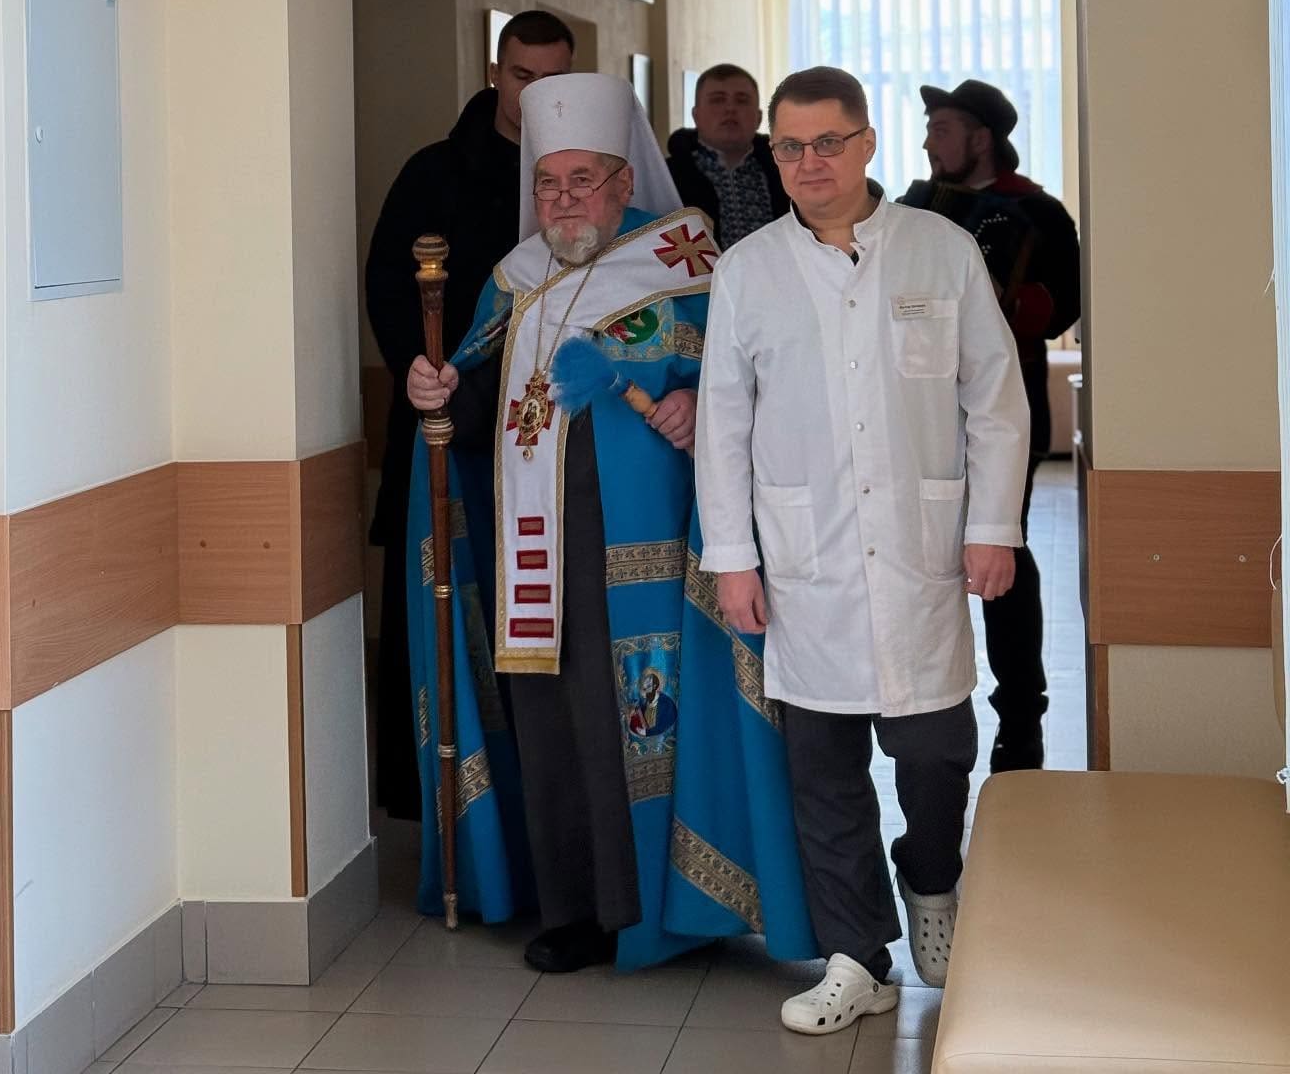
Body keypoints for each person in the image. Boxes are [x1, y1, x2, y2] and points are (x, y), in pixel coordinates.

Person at [404, 72, 815, 975]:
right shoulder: (516, 280)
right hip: (533, 544)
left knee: (637, 716)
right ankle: (578, 908)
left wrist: (697, 402)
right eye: (549, 183)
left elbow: (760, 378)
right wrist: (439, 392)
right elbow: (479, 404)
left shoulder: (687, 263)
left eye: (583, 181)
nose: (563, 200)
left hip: (651, 545)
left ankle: (669, 907)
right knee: (552, 719)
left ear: (624, 183)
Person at [695, 66, 1029, 1034]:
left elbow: (994, 399)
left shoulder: (939, 249)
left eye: (828, 143)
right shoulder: (748, 269)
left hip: (922, 549)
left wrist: (992, 527)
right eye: (790, 147)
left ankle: (931, 875)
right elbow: (723, 422)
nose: (810, 164)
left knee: (935, 751)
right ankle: (857, 958)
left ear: (867, 143)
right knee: (824, 770)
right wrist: (732, 557)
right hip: (804, 559)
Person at [364, 10, 574, 819]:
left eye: (553, 78)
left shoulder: (583, 174)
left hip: (552, 435)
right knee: (447, 606)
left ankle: (546, 802)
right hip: (450, 417)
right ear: (495, 73)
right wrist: (413, 366)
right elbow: (391, 286)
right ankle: (443, 807)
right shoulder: (435, 172)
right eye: (522, 76)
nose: (535, 93)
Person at [901, 80, 1081, 772]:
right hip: (919, 410)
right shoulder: (914, 208)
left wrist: (1000, 299)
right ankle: (922, 705)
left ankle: (1021, 717)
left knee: (1004, 548)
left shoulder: (1038, 212)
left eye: (942, 129)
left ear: (981, 137)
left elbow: (1062, 309)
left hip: (1007, 405)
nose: (929, 142)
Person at [667, 64, 789, 246]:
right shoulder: (667, 176)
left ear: (758, 118)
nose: (730, 108)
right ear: (696, 115)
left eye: (741, 100)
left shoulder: (787, 171)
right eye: (718, 100)